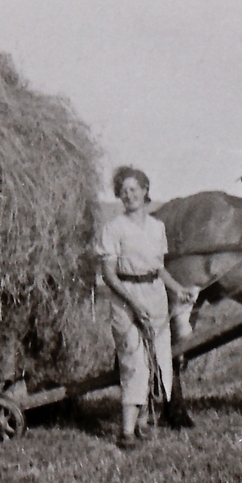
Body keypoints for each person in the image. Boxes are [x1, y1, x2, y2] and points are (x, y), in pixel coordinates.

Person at [96, 167, 199, 449]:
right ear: (119, 195)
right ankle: (126, 432)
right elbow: (108, 274)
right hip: (125, 297)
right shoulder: (113, 229)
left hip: (155, 296)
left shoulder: (157, 228)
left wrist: (180, 290)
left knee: (157, 360)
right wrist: (133, 303)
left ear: (144, 191)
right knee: (134, 362)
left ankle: (143, 421)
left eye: (134, 189)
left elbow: (158, 268)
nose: (129, 195)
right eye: (124, 191)